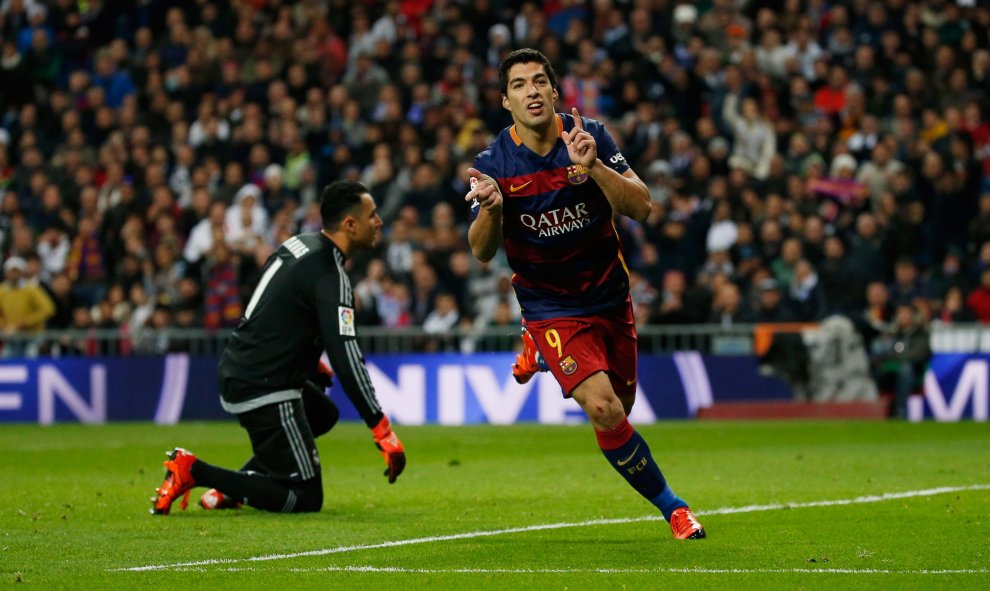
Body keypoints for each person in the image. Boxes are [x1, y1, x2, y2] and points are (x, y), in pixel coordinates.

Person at [464, 48, 705, 540]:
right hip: (549, 305)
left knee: (622, 406)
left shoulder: (589, 136)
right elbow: (481, 252)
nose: (531, 91)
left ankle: (538, 350)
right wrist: (490, 210)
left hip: (609, 297)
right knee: (604, 410)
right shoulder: (494, 163)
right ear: (506, 102)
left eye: (539, 81)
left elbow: (642, 207)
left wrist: (594, 168)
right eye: (518, 85)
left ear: (555, 91)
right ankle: (675, 509)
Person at [151, 180, 406, 515]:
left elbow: (276, 304)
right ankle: (193, 470)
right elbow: (347, 357)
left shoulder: (300, 245)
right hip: (265, 384)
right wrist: (381, 429)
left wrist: (307, 359)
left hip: (244, 367)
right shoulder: (331, 275)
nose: (379, 222)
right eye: (372, 215)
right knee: (305, 497)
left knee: (322, 414)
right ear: (350, 224)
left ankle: (232, 487)